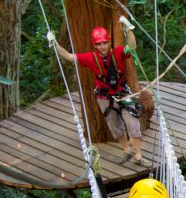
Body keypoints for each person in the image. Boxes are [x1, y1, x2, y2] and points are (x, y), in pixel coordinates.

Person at [48, 16, 145, 165]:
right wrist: (55, 43)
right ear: (95, 45)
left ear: (109, 42)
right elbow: (68, 56)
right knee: (114, 125)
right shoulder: (90, 58)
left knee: (132, 123)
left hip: (122, 93)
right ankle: (126, 151)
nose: (103, 46)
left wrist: (129, 28)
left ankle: (138, 155)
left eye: (105, 43)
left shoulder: (118, 52)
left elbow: (132, 46)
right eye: (99, 44)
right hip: (105, 97)